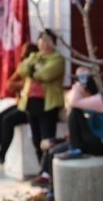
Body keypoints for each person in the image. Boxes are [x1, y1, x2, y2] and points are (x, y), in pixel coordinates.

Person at [31, 67, 103, 195]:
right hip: (93, 139)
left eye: (79, 85)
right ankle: (51, 189)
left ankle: (75, 149)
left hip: (102, 144)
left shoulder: (102, 98)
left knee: (74, 112)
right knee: (54, 151)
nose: (76, 87)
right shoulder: (89, 100)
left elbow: (72, 102)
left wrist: (77, 88)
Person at [0, 42, 38, 164]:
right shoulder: (24, 67)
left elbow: (35, 82)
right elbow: (10, 84)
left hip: (32, 105)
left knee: (8, 120)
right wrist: (23, 84)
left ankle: (2, 153)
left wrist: (27, 83)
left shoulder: (38, 66)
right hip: (21, 102)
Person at [18, 29, 64, 160]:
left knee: (47, 139)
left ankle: (48, 172)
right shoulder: (34, 56)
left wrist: (33, 71)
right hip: (31, 103)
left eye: (48, 40)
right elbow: (22, 69)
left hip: (47, 104)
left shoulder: (58, 59)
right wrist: (34, 68)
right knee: (36, 139)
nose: (44, 43)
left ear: (53, 43)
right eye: (42, 40)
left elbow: (45, 74)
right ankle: (42, 170)